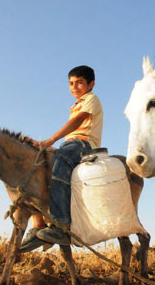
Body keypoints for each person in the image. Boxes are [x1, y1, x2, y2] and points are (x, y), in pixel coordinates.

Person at [20, 65, 103, 251]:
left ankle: (61, 225)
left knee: (60, 159)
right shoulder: (76, 104)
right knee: (41, 162)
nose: (74, 87)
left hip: (84, 143)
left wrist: (49, 141)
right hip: (71, 145)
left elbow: (77, 123)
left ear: (91, 84)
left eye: (80, 83)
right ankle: (38, 224)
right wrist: (45, 147)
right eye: (71, 83)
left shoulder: (91, 99)